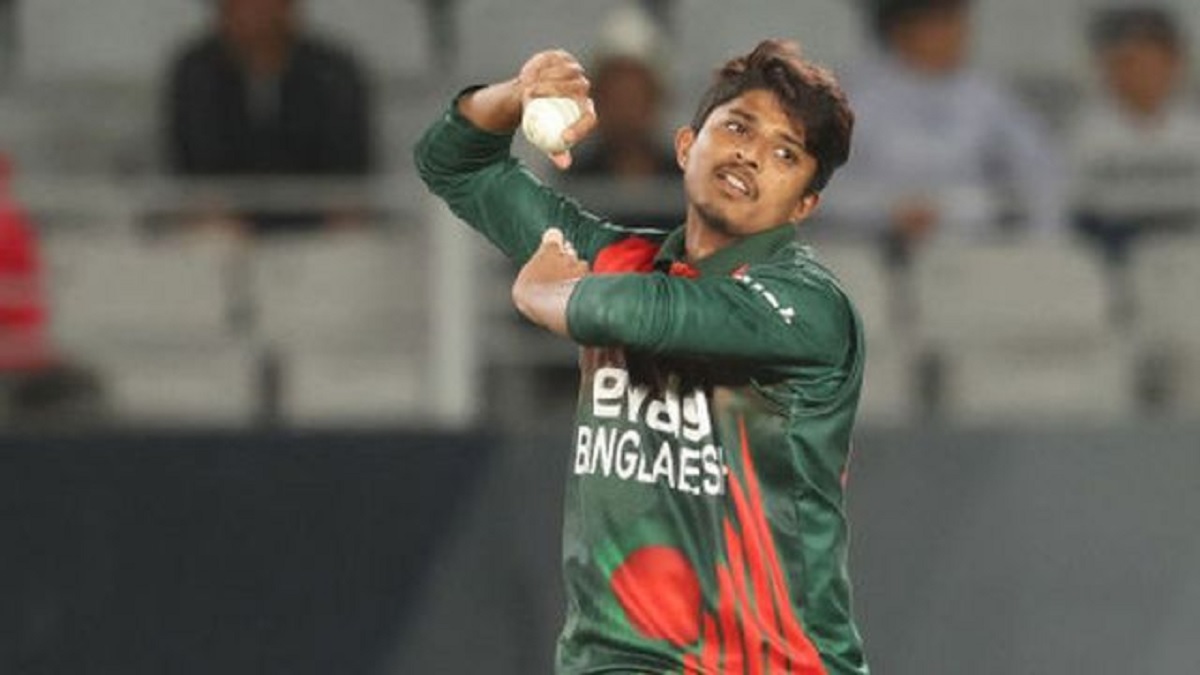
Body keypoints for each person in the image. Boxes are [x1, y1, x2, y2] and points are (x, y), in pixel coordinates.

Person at [415, 39, 868, 674]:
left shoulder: (809, 307)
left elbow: (650, 315)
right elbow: (453, 164)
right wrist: (515, 96)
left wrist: (547, 294)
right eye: (738, 127)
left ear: (803, 206)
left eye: (785, 153)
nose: (751, 153)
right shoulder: (617, 261)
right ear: (685, 146)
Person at [819, 0, 1066, 261]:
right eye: (940, 24)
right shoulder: (853, 95)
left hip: (973, 252)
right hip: (867, 251)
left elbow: (1041, 172)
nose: (956, 35)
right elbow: (819, 188)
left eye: (958, 23)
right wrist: (887, 212)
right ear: (901, 29)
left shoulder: (986, 95)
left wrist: (1036, 245)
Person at [164, 0, 372, 235]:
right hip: (223, 223)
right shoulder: (194, 71)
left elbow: (348, 170)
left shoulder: (333, 71)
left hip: (318, 221)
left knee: (352, 235)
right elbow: (194, 167)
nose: (253, 14)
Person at [1068, 5, 1200, 265]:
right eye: (1129, 61)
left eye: (1155, 59)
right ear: (1105, 67)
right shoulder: (1080, 138)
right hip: (1109, 263)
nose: (1143, 71)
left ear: (1176, 63)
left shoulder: (1193, 130)